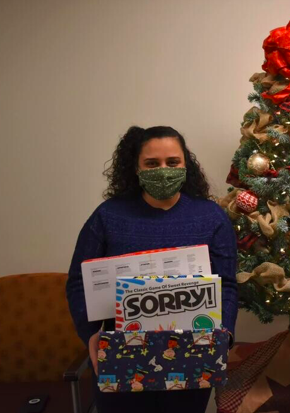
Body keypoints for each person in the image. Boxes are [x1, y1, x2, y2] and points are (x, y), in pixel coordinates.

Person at [66, 126, 238, 413]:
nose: (163, 170)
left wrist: (225, 335)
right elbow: (77, 282)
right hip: (121, 355)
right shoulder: (108, 216)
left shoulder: (211, 217)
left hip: (191, 355)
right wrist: (91, 334)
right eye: (152, 163)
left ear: (185, 165)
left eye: (172, 162)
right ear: (136, 168)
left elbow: (228, 284)